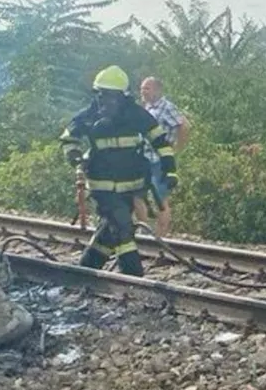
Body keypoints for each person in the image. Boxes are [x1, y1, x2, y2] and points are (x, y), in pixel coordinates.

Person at [60, 66, 177, 277]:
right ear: (97, 94)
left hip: (131, 186)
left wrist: (170, 171)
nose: (107, 102)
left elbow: (161, 142)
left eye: (112, 96)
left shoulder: (136, 115)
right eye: (103, 95)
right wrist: (75, 156)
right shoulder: (89, 115)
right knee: (123, 227)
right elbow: (69, 138)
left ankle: (85, 271)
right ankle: (134, 277)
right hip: (102, 186)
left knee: (111, 232)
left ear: (123, 96)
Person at [133, 76, 189, 237]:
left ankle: (160, 237)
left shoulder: (167, 107)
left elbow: (184, 126)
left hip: (159, 161)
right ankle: (144, 232)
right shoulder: (147, 108)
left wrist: (177, 149)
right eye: (142, 88)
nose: (143, 91)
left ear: (157, 90)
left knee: (160, 199)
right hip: (144, 159)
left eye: (147, 88)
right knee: (137, 195)